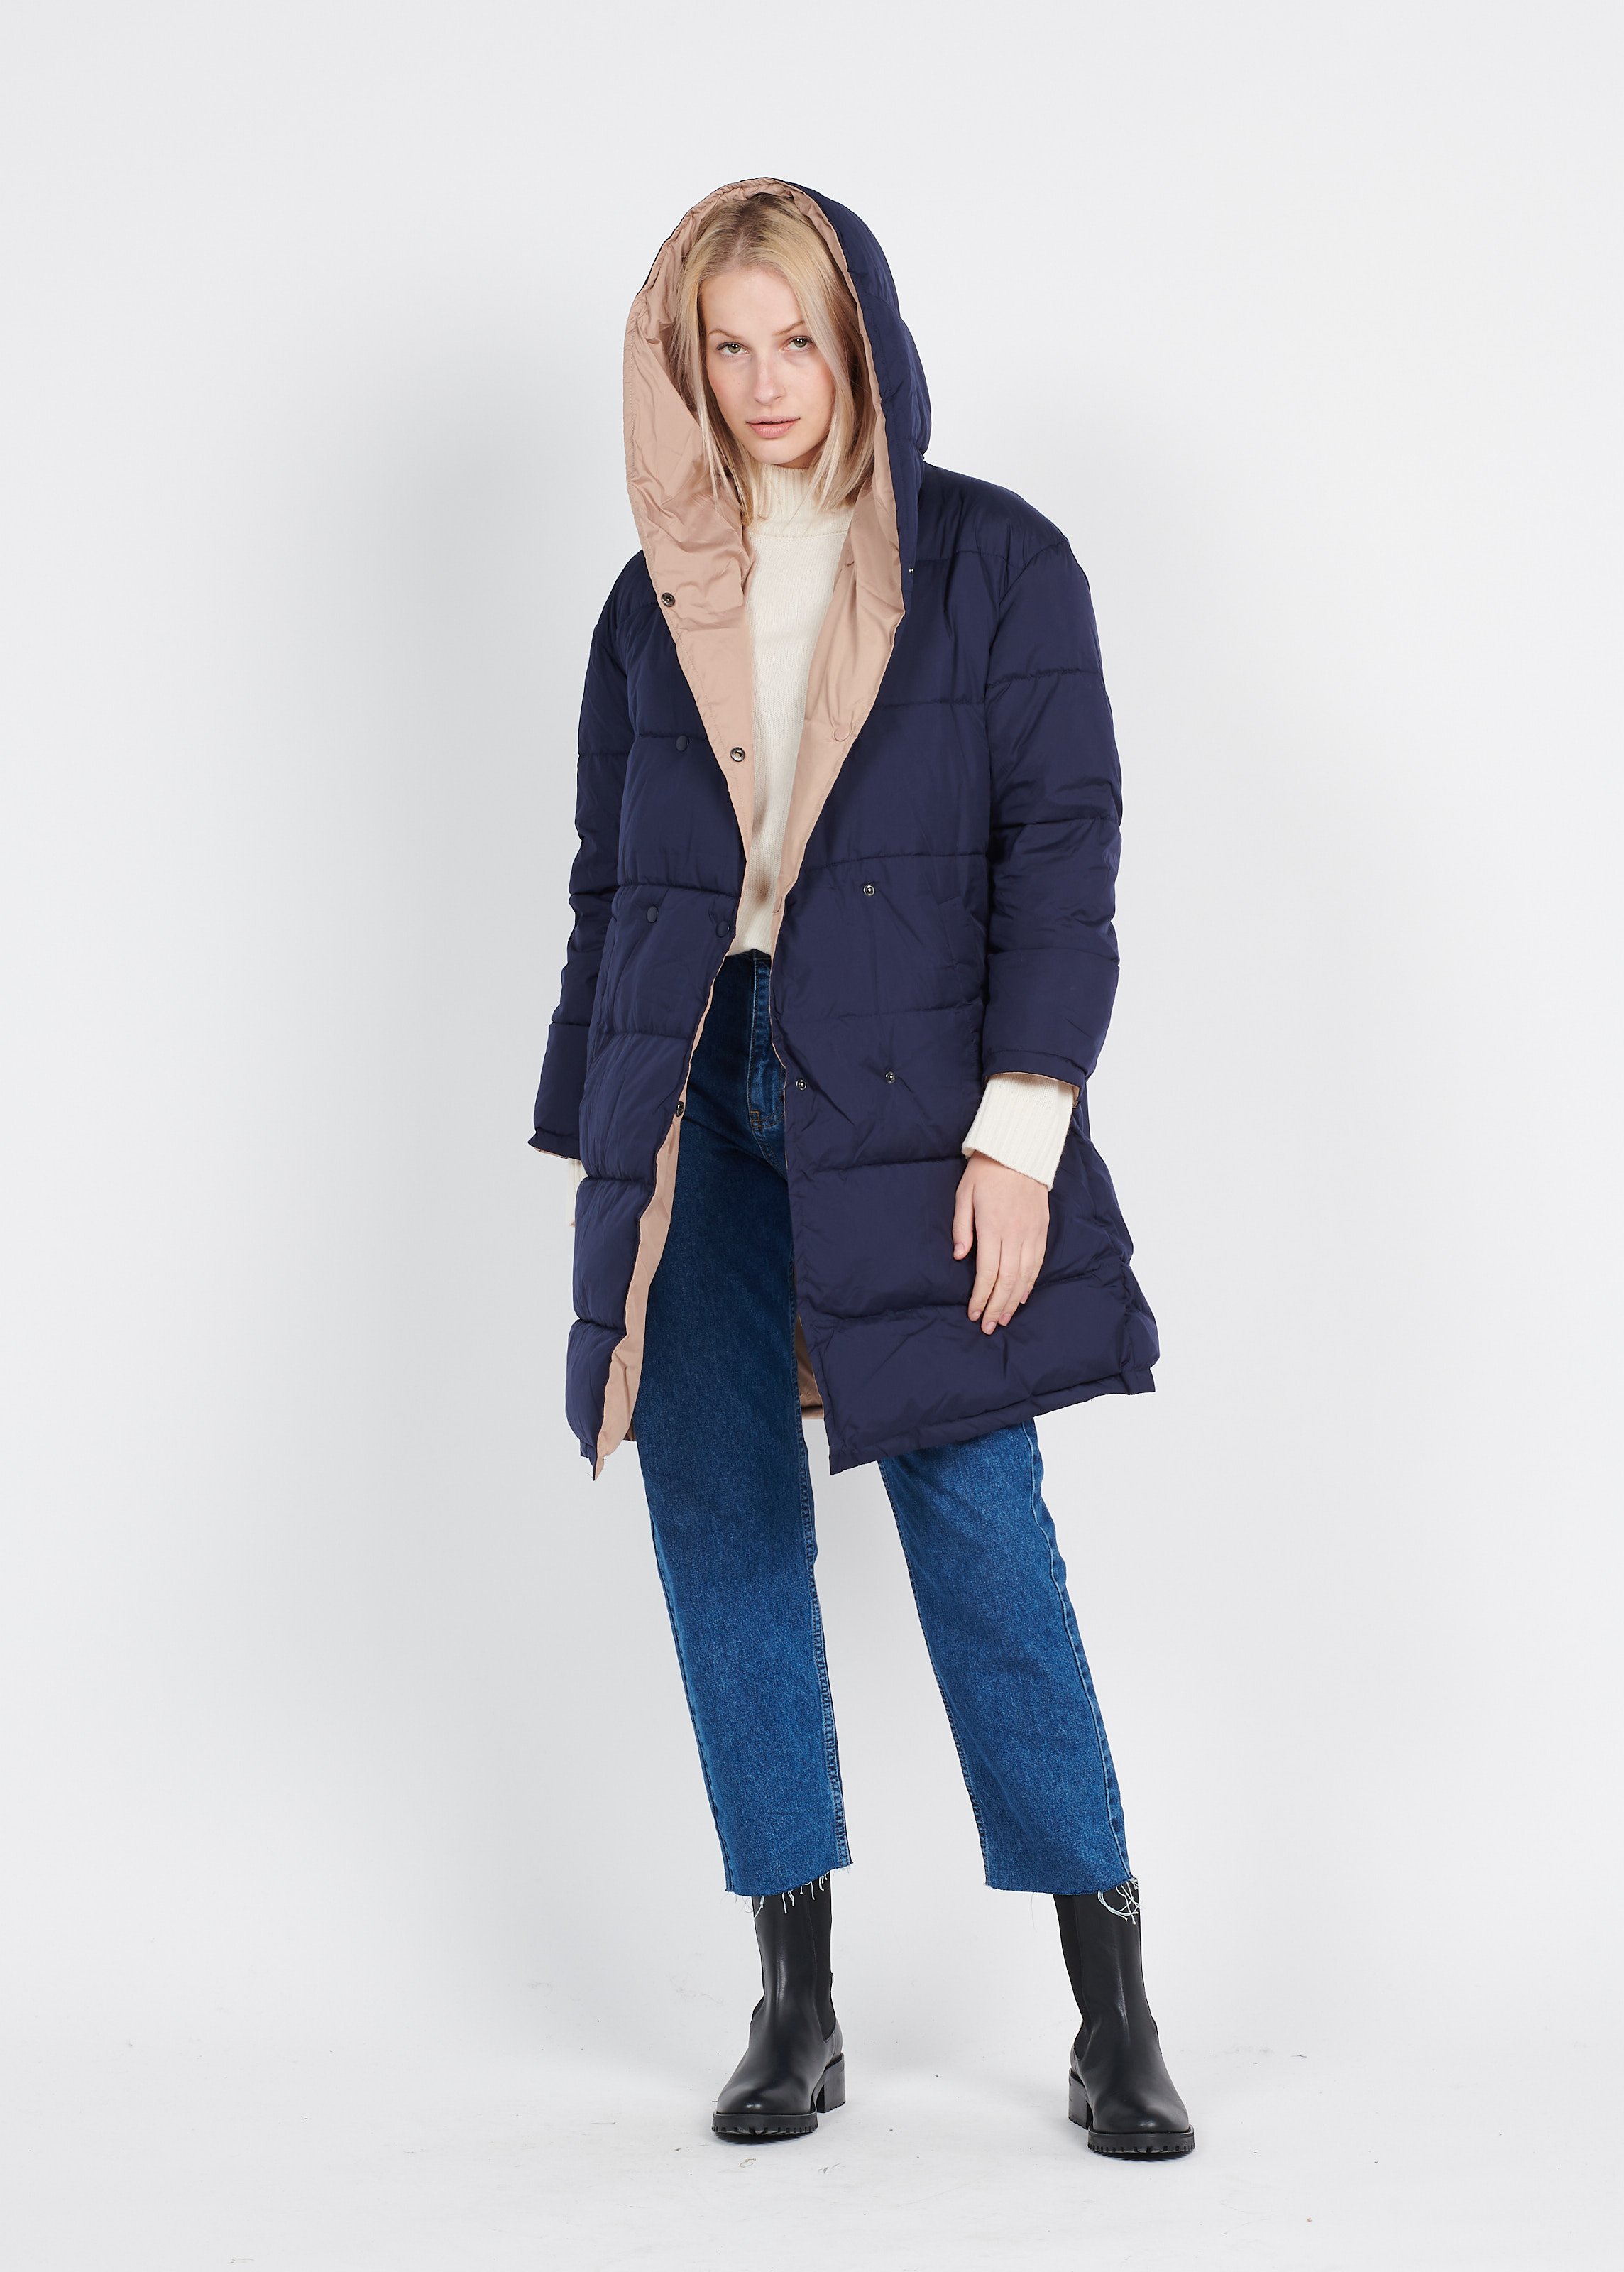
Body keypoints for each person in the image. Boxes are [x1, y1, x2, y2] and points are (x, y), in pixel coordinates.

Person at [530, 179, 1192, 2160]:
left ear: (859, 340)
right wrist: (602, 1141)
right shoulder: (651, 593)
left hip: (914, 1101)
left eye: (794, 340)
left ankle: (1112, 2007)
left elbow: (1063, 852)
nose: (763, 384)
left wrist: (1022, 1128)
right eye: (724, 347)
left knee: (978, 1522)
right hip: (699, 1098)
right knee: (722, 1523)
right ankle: (793, 1998)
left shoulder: (995, 562)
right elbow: (614, 886)